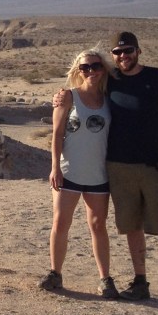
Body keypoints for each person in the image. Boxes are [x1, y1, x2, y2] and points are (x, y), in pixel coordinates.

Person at [55, 31, 158, 315]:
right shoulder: (110, 81)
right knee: (132, 227)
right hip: (118, 168)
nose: (123, 56)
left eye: (128, 50)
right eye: (118, 52)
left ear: (138, 51)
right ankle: (140, 281)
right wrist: (62, 96)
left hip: (154, 166)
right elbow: (83, 90)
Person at [41, 49, 116, 298]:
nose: (91, 71)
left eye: (96, 66)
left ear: (104, 69)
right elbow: (57, 134)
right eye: (85, 67)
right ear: (78, 70)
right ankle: (55, 273)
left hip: (98, 173)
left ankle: (105, 279)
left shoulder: (110, 98)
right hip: (69, 171)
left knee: (98, 225)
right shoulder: (68, 97)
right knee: (61, 222)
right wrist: (54, 167)